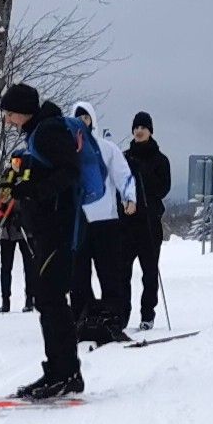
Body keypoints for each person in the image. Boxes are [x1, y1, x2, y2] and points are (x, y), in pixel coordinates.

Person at [0, 82, 85, 401]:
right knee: (48, 299)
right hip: (47, 228)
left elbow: (69, 173)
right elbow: (46, 172)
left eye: (9, 114)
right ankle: (59, 369)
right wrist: (20, 185)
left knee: (51, 298)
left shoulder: (47, 131)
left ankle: (67, 372)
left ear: (22, 111)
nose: (7, 120)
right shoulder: (38, 133)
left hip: (58, 228)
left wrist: (31, 191)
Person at [69, 102, 137, 344]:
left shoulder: (106, 148)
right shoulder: (68, 150)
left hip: (105, 220)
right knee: (78, 275)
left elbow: (123, 173)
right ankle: (81, 318)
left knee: (109, 272)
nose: (83, 121)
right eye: (78, 118)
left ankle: (113, 318)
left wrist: (129, 197)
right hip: (77, 221)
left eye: (86, 117)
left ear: (93, 120)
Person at [124, 112, 174, 330]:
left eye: (143, 127)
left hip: (150, 222)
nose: (139, 130)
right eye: (136, 127)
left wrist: (143, 172)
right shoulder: (124, 158)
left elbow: (163, 189)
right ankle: (121, 313)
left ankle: (147, 315)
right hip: (126, 224)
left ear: (150, 131)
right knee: (121, 272)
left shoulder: (160, 160)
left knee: (150, 272)